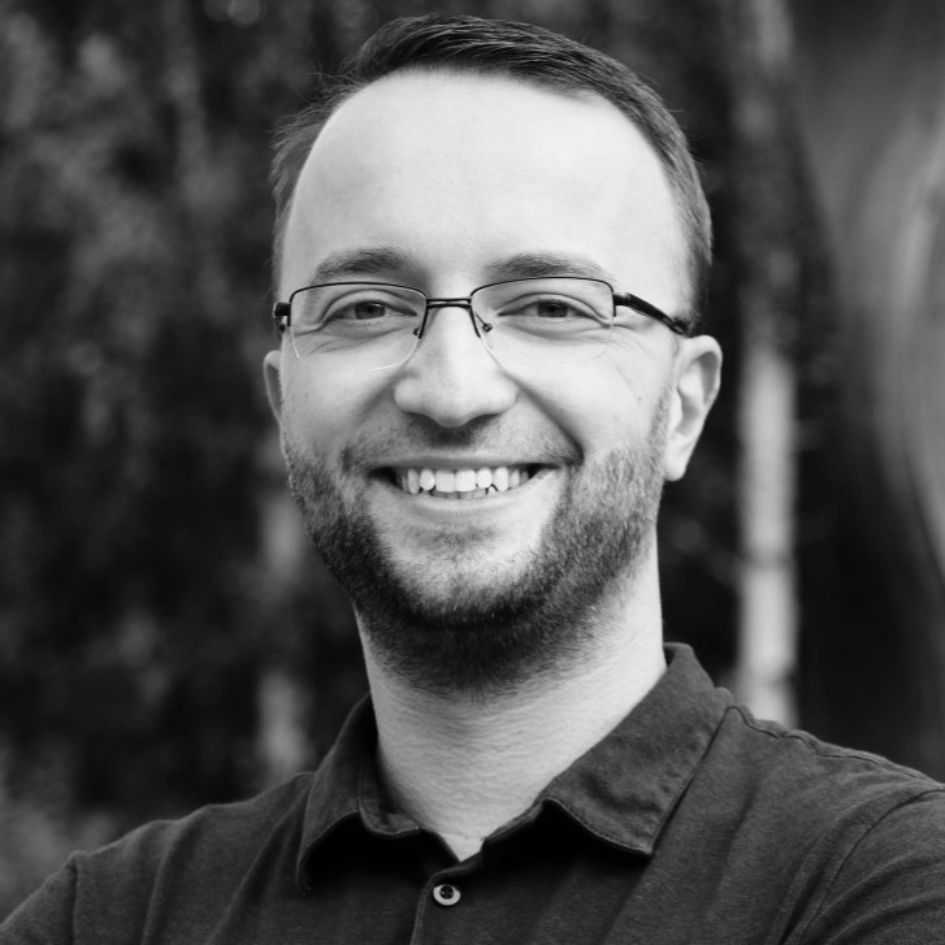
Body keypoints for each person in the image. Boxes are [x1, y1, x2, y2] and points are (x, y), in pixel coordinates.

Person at [4, 13, 945, 944]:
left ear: (685, 405)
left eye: (551, 306)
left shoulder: (886, 884)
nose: (451, 391)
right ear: (284, 401)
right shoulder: (109, 919)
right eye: (365, 307)